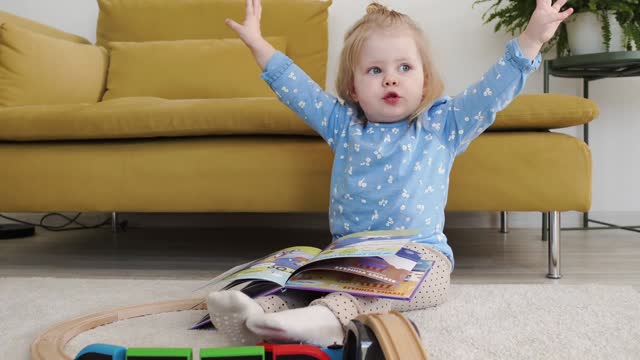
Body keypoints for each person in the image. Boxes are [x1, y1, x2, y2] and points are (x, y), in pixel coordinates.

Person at [207, 0, 573, 347]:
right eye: (375, 70)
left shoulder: (442, 126)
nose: (390, 80)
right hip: (347, 256)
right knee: (302, 282)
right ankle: (261, 316)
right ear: (354, 87)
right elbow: (295, 87)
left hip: (418, 257)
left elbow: (492, 92)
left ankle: (326, 319)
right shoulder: (343, 124)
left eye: (404, 68)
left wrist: (531, 38)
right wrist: (257, 43)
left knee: (429, 284)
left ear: (425, 81)